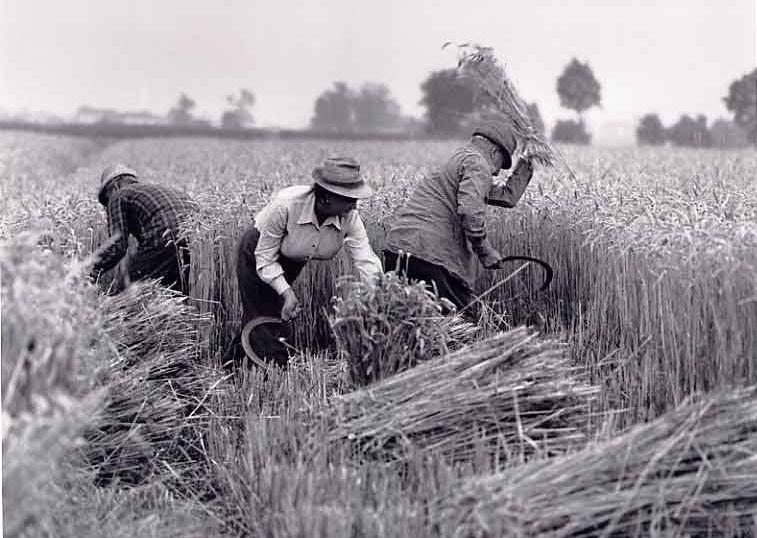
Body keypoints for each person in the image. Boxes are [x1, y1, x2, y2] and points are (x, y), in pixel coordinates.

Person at [227, 155, 382, 367]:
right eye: (349, 199)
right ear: (327, 197)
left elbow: (366, 259)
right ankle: (274, 371)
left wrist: (380, 295)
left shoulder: (350, 218)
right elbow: (265, 258)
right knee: (264, 314)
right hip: (258, 253)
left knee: (268, 310)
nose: (354, 206)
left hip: (292, 259)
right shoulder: (287, 206)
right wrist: (287, 293)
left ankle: (230, 365)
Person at [383, 115, 534, 318]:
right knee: (459, 325)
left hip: (398, 251)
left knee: (407, 323)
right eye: (501, 163)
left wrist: (527, 163)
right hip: (430, 256)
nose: (497, 172)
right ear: (493, 151)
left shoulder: (459, 158)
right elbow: (470, 212)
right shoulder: (478, 164)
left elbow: (506, 196)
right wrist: (484, 251)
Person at [91, 164, 196, 295]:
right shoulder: (167, 190)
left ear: (114, 186)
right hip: (196, 244)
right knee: (175, 294)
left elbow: (117, 245)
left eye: (107, 198)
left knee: (129, 291)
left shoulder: (118, 195)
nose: (108, 204)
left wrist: (90, 269)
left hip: (163, 239)